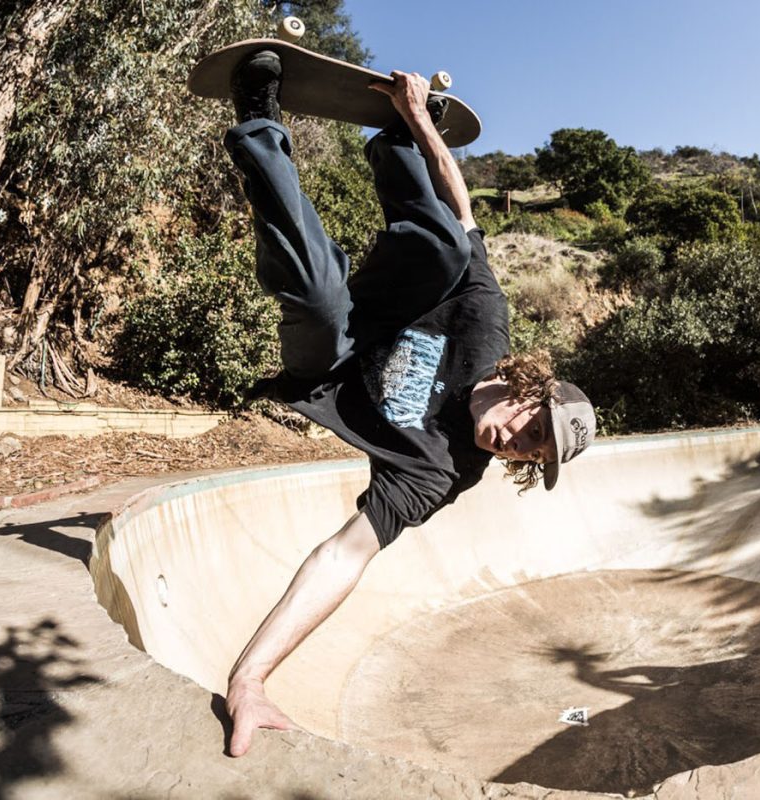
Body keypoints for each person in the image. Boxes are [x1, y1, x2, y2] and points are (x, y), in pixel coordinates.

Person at [220, 50, 597, 756]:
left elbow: (345, 555)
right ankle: (392, 145)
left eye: (530, 455)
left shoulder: (444, 472)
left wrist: (251, 677)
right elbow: (465, 209)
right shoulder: (487, 324)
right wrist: (419, 122)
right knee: (452, 245)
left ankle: (257, 118)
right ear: (529, 389)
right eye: (531, 429)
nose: (514, 447)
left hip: (327, 361)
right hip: (379, 301)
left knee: (316, 295)